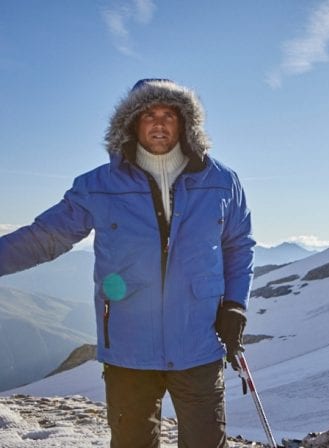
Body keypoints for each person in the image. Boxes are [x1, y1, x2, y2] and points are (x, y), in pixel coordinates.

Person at [0, 78, 256, 448]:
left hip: (199, 342)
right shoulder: (98, 186)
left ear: (185, 123)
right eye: (148, 114)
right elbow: (45, 238)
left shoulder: (221, 182)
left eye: (169, 114)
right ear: (130, 123)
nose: (159, 122)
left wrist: (235, 304)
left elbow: (238, 245)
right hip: (128, 348)